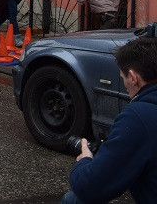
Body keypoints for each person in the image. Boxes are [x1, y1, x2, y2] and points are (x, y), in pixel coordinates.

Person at [62, 34, 157, 203]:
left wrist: (85, 161)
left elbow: (90, 186)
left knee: (73, 199)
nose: (125, 85)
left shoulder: (138, 117)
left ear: (133, 77)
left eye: (122, 78)